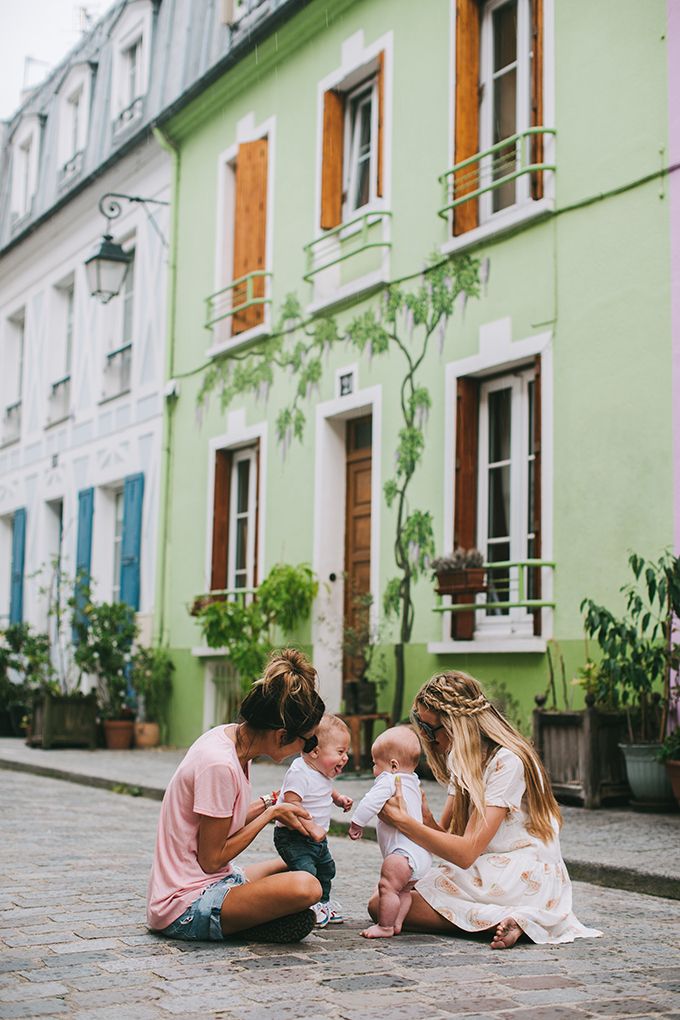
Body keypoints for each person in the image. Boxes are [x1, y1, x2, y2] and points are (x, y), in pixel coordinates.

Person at [375, 671, 602, 949]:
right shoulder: (464, 760)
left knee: (388, 905)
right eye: (421, 726)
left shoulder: (508, 761)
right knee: (386, 900)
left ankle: (511, 919)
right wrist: (424, 817)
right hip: (487, 869)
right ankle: (509, 921)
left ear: (455, 725)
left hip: (522, 874)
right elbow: (447, 841)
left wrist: (403, 823)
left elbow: (465, 853)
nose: (427, 738)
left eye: (429, 728)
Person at [147, 648, 325, 943]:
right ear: (282, 735)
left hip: (215, 882)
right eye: (310, 742)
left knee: (301, 861)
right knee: (307, 887)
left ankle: (253, 919)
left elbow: (220, 821)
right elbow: (211, 859)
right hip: (185, 903)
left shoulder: (232, 742)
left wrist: (271, 801)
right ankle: (251, 922)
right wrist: (271, 814)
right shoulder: (219, 764)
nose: (312, 750)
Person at [348, 726, 432, 939]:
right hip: (421, 855)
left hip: (401, 854)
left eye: (375, 764)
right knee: (404, 891)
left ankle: (385, 926)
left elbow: (371, 801)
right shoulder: (413, 781)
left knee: (387, 887)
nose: (374, 770)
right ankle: (397, 923)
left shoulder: (389, 780)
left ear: (393, 765)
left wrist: (357, 822)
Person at [273, 714, 353, 927]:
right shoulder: (299, 772)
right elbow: (291, 805)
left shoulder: (321, 772)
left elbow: (325, 787)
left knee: (327, 870)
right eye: (340, 751)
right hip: (294, 836)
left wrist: (338, 798)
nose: (346, 757)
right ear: (316, 752)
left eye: (346, 752)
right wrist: (311, 827)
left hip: (317, 838)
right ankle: (304, 907)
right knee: (306, 873)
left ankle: (322, 903)